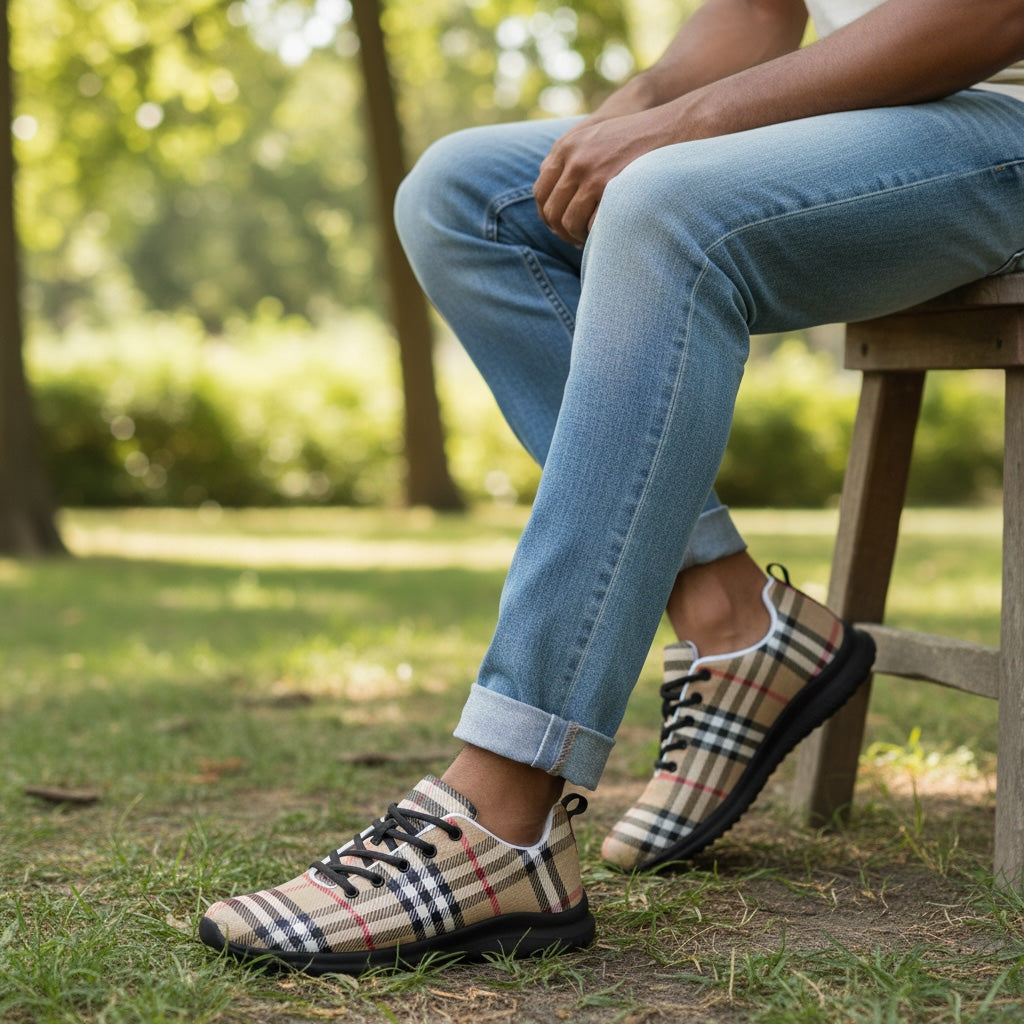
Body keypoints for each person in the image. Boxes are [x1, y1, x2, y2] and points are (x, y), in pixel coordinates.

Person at [198, 0, 1024, 975]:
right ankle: (729, 618)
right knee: (460, 194)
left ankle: (503, 807)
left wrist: (678, 132)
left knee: (663, 202)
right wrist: (619, 120)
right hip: (885, 119)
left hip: (993, 110)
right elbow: (756, 12)